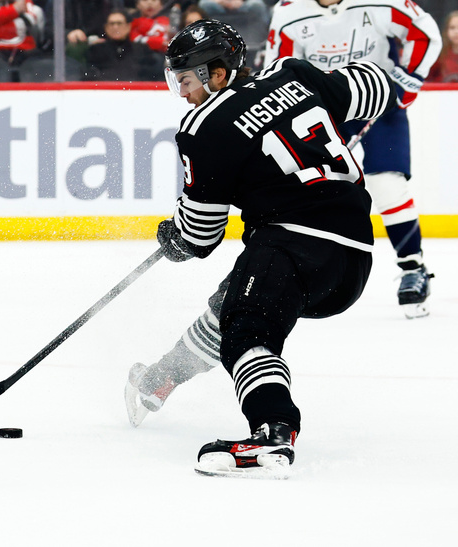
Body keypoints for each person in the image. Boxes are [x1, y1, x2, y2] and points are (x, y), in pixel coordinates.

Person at [125, 20, 395, 478]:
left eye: (187, 81)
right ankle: (162, 378)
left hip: (291, 241)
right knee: (230, 306)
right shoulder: (294, 73)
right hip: (352, 255)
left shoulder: (204, 126)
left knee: (247, 333)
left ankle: (272, 437)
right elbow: (378, 87)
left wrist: (176, 237)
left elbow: (201, 236)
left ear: (217, 73)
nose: (183, 93)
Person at [266, 0, 441, 318]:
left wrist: (407, 78)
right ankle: (303, 268)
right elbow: (280, 67)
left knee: (386, 183)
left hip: (378, 99)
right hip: (325, 108)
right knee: (309, 188)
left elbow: (424, 32)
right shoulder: (288, 11)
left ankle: (412, 267)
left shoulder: (380, 2)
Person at [0, 0, 46, 82]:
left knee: (41, 66)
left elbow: (32, 18)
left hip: (25, 54)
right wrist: (15, 9)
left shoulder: (26, 4)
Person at [84, 9, 164, 81]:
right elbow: (89, 76)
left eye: (119, 23)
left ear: (128, 26)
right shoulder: (95, 51)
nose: (115, 27)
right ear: (106, 27)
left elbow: (152, 76)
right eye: (112, 24)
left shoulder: (141, 50)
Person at [428, 11, 458, 83]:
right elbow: (428, 79)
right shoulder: (439, 54)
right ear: (446, 30)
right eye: (452, 28)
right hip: (443, 93)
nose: (456, 32)